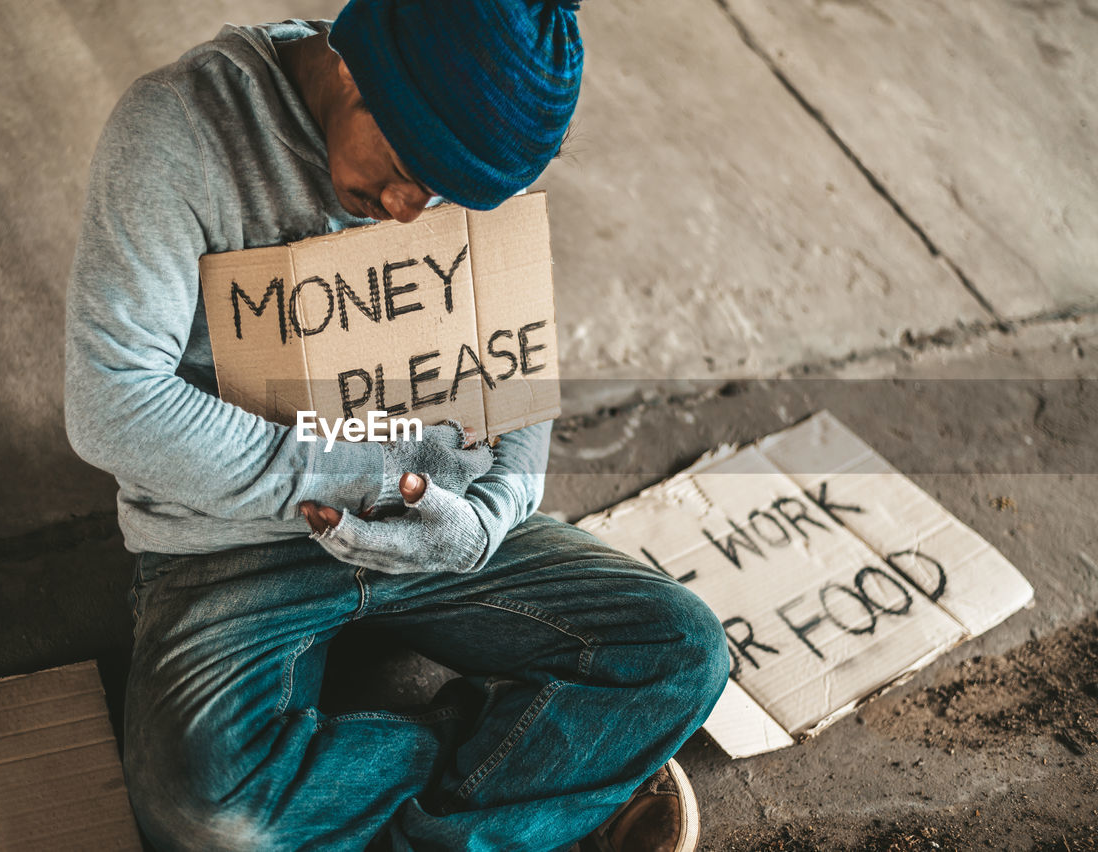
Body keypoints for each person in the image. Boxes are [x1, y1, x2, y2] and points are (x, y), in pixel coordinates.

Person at [63, 1, 730, 849]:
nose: (412, 207)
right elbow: (110, 403)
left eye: (449, 190)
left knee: (682, 652)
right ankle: (528, 762)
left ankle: (441, 812)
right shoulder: (180, 132)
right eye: (405, 163)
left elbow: (516, 370)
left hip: (437, 520)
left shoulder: (469, 154)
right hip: (233, 541)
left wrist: (487, 520)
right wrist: (364, 473)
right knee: (209, 812)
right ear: (352, 62)